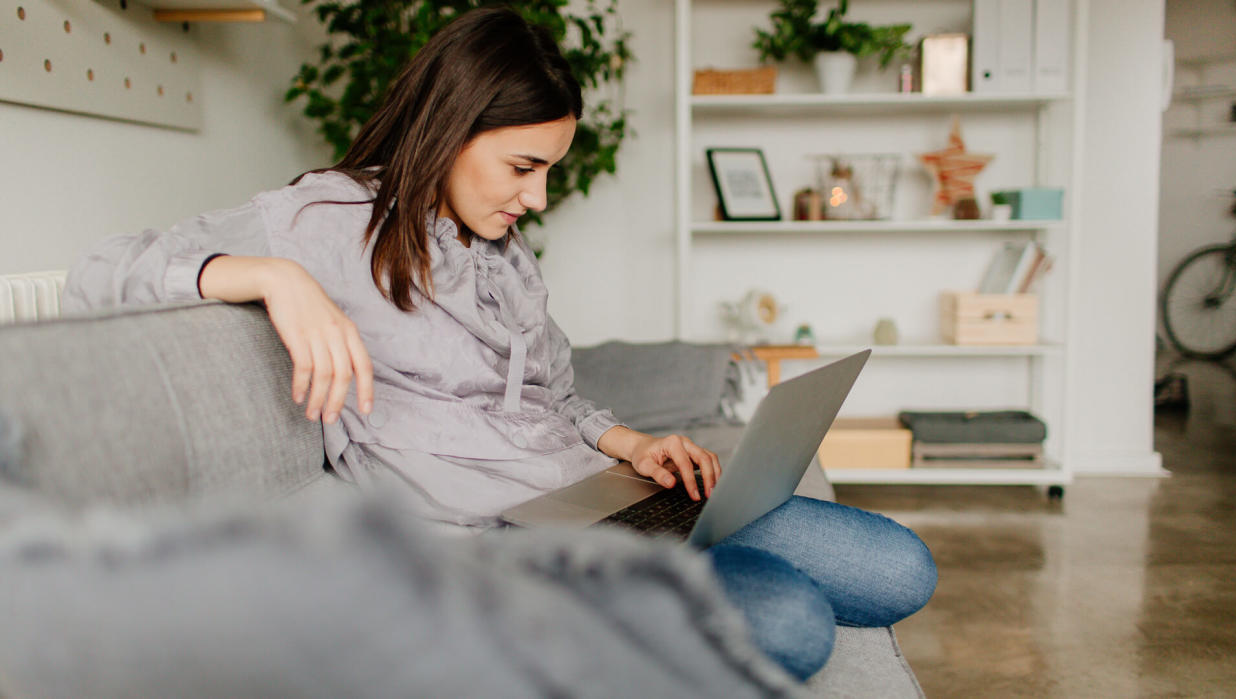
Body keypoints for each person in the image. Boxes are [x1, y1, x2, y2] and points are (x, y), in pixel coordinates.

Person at [63, 7, 935, 682]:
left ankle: (689, 558)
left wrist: (630, 443)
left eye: (549, 168)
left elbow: (556, 393)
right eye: (525, 167)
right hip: (501, 542)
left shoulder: (502, 251)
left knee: (901, 569)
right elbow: (99, 271)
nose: (541, 197)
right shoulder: (322, 223)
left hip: (597, 491)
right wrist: (267, 277)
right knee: (791, 624)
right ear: (451, 127)